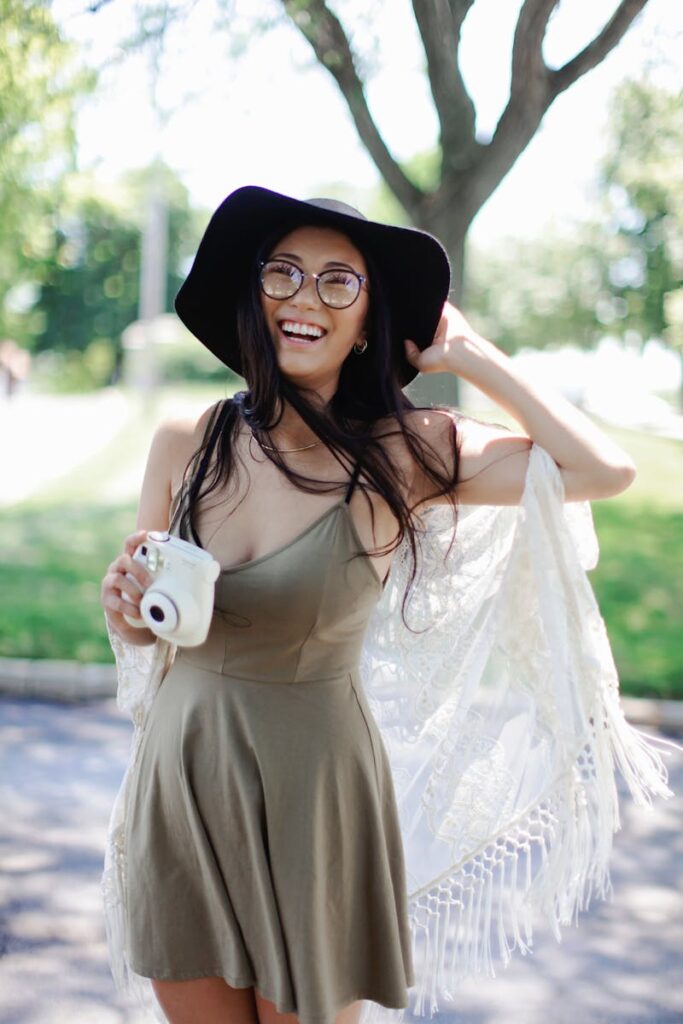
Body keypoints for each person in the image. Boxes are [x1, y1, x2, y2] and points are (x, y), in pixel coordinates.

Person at [100, 186, 671, 1024]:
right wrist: (121, 608)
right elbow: (144, 624)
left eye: (339, 282)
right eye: (284, 273)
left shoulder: (403, 454)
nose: (304, 298)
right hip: (182, 779)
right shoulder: (186, 443)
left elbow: (599, 471)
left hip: (314, 791)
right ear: (253, 295)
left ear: (368, 321)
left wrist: (471, 355)